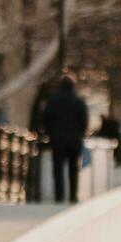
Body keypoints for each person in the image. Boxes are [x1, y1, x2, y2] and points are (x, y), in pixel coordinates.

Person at [41, 72, 89, 203]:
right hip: (74, 140)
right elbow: (84, 121)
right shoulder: (79, 102)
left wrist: (49, 133)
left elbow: (46, 118)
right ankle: (73, 195)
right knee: (73, 169)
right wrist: (80, 133)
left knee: (58, 169)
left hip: (58, 139)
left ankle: (59, 196)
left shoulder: (53, 100)